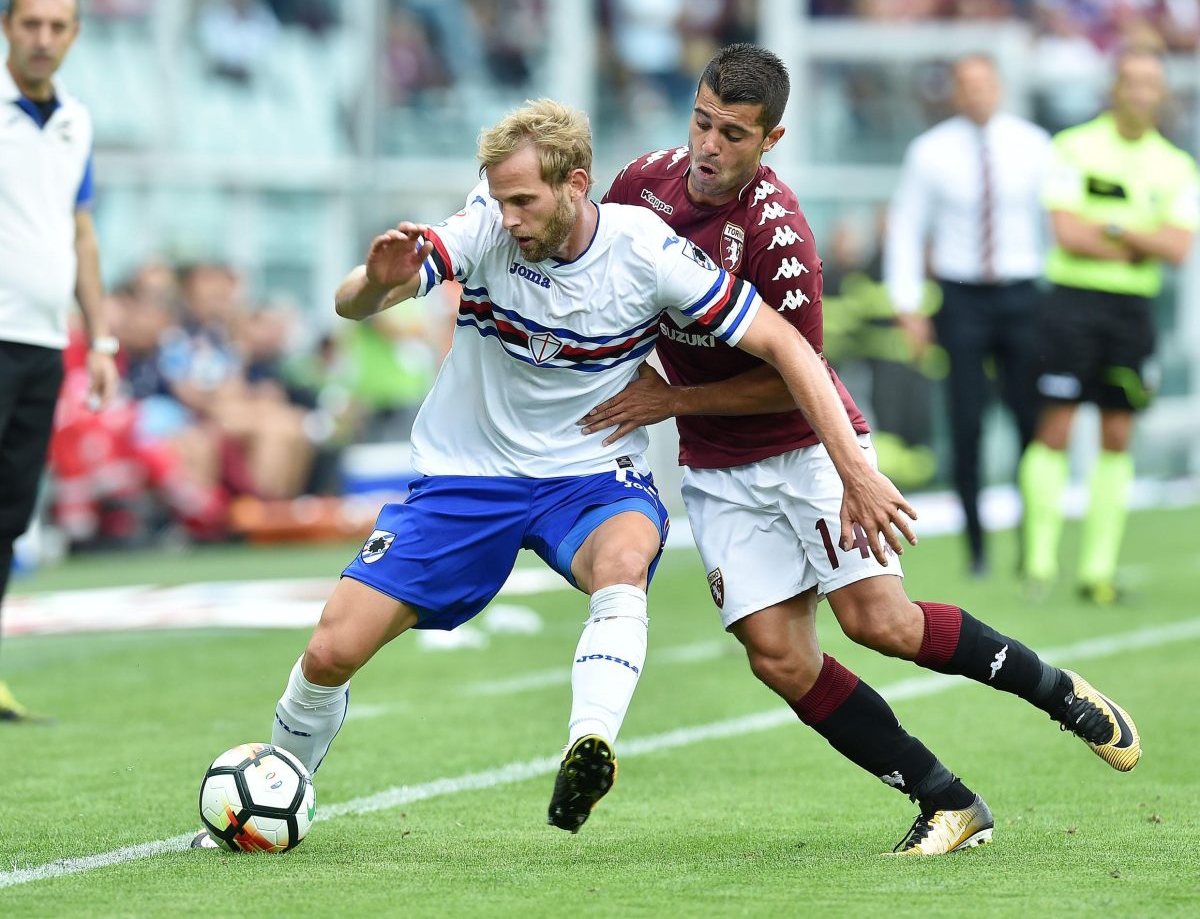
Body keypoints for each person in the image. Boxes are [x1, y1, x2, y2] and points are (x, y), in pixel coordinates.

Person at [192, 97, 915, 848]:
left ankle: (588, 743)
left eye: (524, 200)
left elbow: (788, 346)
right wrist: (375, 284)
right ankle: (269, 792)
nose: (508, 217)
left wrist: (854, 468)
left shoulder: (648, 252)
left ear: (577, 185)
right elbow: (352, 304)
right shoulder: (484, 225)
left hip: (590, 473)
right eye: (499, 198)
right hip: (467, 474)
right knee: (331, 651)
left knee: (625, 561)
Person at [589, 43, 1141, 856]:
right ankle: (948, 802)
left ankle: (1059, 693)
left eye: (734, 134)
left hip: (805, 445)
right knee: (777, 656)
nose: (709, 146)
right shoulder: (641, 185)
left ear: (770, 140)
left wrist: (678, 402)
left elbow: (795, 376)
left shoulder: (779, 236)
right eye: (703, 122)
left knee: (881, 623)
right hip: (715, 465)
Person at [1018, 47, 1199, 605]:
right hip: (1072, 305)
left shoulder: (1176, 165)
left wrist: (1112, 228)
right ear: (1114, 88)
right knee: (1057, 425)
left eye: (1152, 84)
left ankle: (1098, 571)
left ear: (1160, 94)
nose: (1142, 93)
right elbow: (1068, 233)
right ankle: (1040, 562)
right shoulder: (1074, 146)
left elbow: (1177, 246)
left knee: (1117, 435)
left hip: (1131, 314)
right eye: (1132, 81)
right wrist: (1136, 235)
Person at [884, 54, 1051, 576]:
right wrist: (907, 303)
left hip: (1023, 294)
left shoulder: (1034, 146)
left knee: (1032, 422)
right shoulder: (930, 153)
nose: (976, 93)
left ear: (998, 87)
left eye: (984, 83)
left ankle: (1035, 544)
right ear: (955, 91)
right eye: (966, 84)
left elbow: (1055, 222)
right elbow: (908, 227)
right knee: (966, 421)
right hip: (961, 298)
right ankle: (977, 549)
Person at [0, 0, 118, 722]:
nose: (44, 38)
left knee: (9, 517)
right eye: (30, 23)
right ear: (7, 28)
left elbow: (82, 232)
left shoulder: (75, 121)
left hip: (45, 345)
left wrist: (100, 337)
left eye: (57, 26)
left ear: (74, 35)